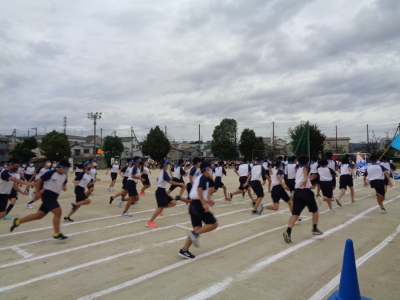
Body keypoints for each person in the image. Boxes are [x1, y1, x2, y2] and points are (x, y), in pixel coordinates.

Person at [10, 159, 71, 239]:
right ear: (61, 167)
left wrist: (64, 187)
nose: (67, 171)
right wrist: (38, 193)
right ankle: (57, 234)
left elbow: (64, 183)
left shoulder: (64, 175)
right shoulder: (50, 173)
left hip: (54, 196)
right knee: (58, 212)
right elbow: (39, 181)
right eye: (66, 169)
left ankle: (17, 221)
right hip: (47, 195)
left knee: (39, 215)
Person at [178, 161, 218, 259]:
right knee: (213, 224)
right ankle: (193, 234)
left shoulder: (200, 177)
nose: (211, 169)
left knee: (197, 229)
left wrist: (207, 201)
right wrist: (204, 203)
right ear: (206, 169)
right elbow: (199, 189)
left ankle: (184, 250)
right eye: (210, 168)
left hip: (193, 205)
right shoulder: (204, 177)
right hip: (198, 205)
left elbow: (199, 192)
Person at [283, 156, 323, 243]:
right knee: (315, 210)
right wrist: (306, 179)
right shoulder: (305, 167)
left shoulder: (298, 169)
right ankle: (315, 228)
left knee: (295, 214)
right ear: (307, 162)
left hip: (297, 192)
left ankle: (288, 231)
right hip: (305, 192)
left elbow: (302, 176)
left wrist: (309, 179)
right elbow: (305, 171)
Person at [146, 160, 187, 228]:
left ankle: (160, 208)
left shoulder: (163, 172)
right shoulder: (164, 172)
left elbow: (158, 179)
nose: (168, 165)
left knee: (173, 203)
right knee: (160, 208)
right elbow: (170, 182)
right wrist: (179, 183)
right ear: (164, 165)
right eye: (167, 164)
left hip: (162, 191)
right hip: (160, 191)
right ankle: (150, 222)